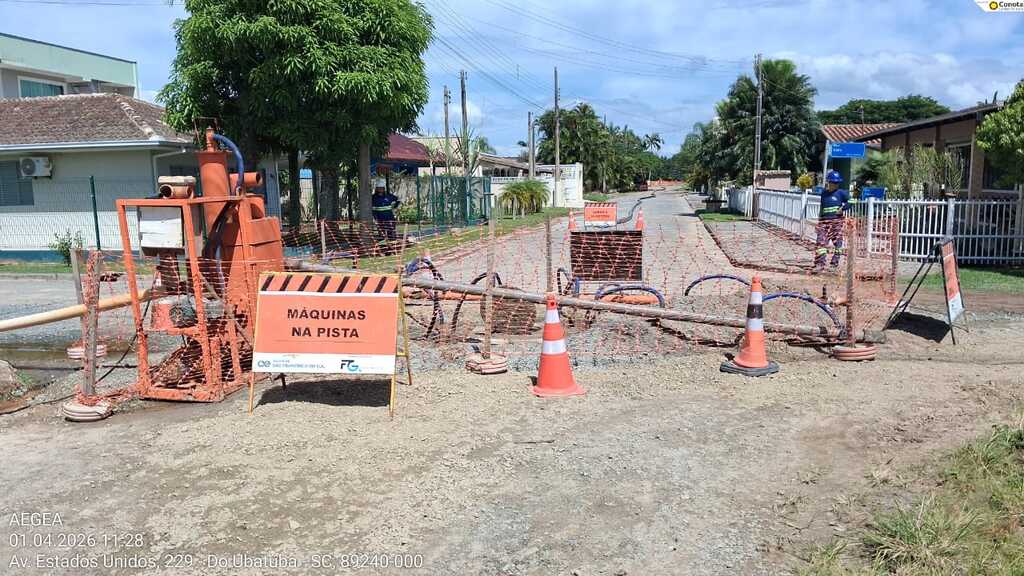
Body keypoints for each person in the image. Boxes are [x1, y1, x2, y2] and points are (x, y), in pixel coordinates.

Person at [813, 170, 851, 272]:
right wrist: (819, 221)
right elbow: (822, 207)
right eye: (833, 182)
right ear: (828, 182)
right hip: (824, 223)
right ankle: (819, 264)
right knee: (821, 243)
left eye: (837, 183)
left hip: (836, 223)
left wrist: (842, 209)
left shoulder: (841, 193)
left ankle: (834, 263)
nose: (835, 185)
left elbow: (852, 201)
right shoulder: (824, 194)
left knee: (837, 244)